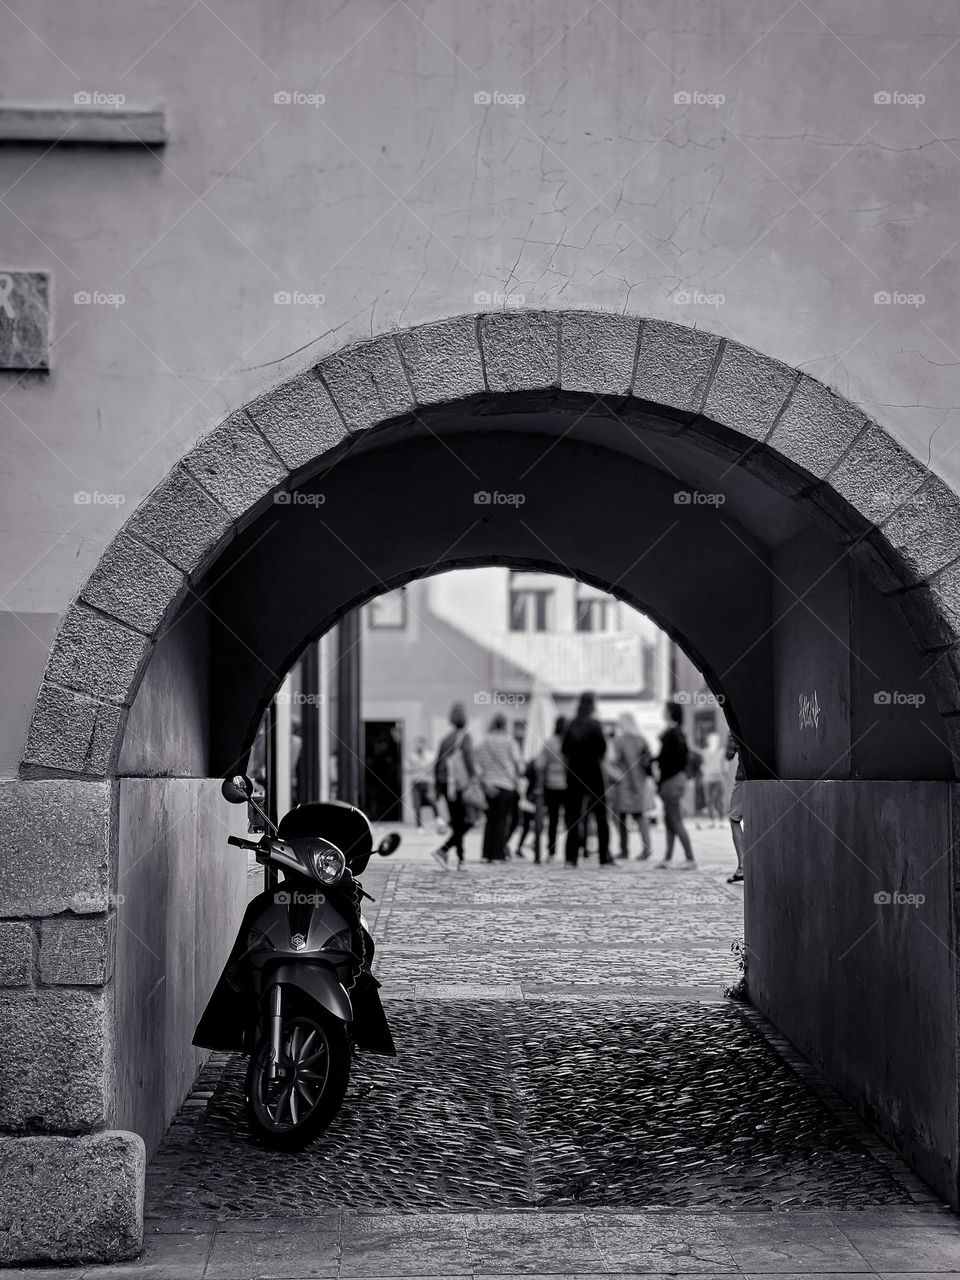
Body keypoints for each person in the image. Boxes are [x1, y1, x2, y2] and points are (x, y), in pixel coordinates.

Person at [562, 692, 613, 867]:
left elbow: (565, 750)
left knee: (574, 817)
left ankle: (571, 857)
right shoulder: (595, 725)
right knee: (601, 816)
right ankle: (604, 856)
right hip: (593, 772)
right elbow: (602, 749)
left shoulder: (571, 724)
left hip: (575, 773)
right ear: (592, 705)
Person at [431, 703, 475, 869]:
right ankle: (445, 851)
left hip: (446, 785)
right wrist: (475, 781)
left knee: (457, 821)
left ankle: (459, 858)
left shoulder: (445, 739)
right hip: (460, 786)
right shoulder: (466, 737)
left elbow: (437, 764)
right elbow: (470, 763)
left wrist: (437, 788)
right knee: (470, 820)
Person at [474, 713, 523, 861]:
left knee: (490, 820)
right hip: (506, 785)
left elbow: (476, 764)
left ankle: (486, 853)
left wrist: (484, 781)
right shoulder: (510, 741)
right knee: (502, 820)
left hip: (489, 785)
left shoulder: (484, 741)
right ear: (505, 724)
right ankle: (497, 853)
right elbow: (518, 763)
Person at [655, 701, 696, 868]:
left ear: (670, 712)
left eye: (665, 710)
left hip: (670, 780)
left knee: (675, 819)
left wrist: (652, 760)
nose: (662, 712)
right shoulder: (679, 733)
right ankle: (667, 857)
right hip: (678, 778)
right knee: (669, 819)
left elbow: (666, 760)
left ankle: (690, 858)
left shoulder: (671, 733)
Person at [610, 712, 653, 860]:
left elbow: (614, 761)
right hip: (640, 783)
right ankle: (647, 848)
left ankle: (624, 850)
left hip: (624, 783)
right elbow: (648, 761)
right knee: (640, 816)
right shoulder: (642, 739)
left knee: (620, 817)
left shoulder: (619, 741)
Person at [538, 715, 568, 859]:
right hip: (568, 785)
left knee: (553, 819)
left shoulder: (549, 742)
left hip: (551, 785)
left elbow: (540, 765)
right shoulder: (570, 742)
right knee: (572, 819)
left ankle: (551, 849)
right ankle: (576, 849)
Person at [407, 736, 441, 830]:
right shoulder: (412, 755)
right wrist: (419, 767)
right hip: (416, 782)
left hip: (427, 782)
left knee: (432, 800)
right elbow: (406, 768)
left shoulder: (430, 755)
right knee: (417, 804)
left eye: (421, 744)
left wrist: (423, 760)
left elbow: (432, 766)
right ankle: (419, 825)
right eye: (417, 744)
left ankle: (438, 818)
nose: (419, 746)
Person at [726, 734, 745, 883]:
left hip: (744, 777)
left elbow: (729, 754)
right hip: (766, 776)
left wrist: (730, 740)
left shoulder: (735, 726)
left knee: (734, 818)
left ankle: (743, 866)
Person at [701, 731, 727, 827]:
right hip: (708, 778)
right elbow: (703, 764)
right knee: (709, 800)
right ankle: (712, 821)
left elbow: (724, 765)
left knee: (720, 800)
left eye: (716, 740)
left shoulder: (721, 751)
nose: (714, 742)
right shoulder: (705, 752)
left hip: (719, 778)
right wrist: (704, 770)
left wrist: (724, 773)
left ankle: (721, 820)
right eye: (712, 740)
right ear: (708, 741)